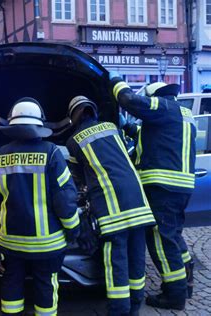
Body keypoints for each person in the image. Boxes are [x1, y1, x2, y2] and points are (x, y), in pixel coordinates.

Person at [0, 97, 80, 316]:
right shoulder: (52, 153)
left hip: (10, 240)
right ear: (39, 124)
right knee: (46, 285)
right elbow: (64, 200)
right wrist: (73, 229)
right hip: (46, 243)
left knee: (11, 282)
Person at [110, 75, 196, 310]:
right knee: (173, 235)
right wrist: (122, 124)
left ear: (153, 97)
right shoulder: (181, 114)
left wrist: (115, 81)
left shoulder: (164, 106)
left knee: (160, 238)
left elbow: (129, 100)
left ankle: (175, 293)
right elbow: (144, 135)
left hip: (163, 187)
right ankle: (187, 279)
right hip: (180, 186)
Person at [66, 96, 156, 316]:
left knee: (116, 262)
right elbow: (124, 153)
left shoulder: (73, 141)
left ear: (73, 119)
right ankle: (135, 306)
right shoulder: (112, 128)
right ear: (94, 111)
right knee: (136, 257)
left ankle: (118, 310)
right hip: (138, 201)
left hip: (112, 207)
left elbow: (78, 176)